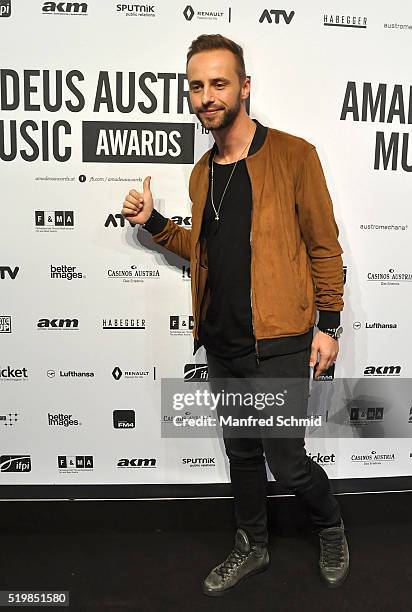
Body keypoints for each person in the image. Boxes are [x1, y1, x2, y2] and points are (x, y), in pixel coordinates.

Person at [121, 34, 349, 595]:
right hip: (221, 342)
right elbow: (203, 247)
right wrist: (154, 223)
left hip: (279, 342)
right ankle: (253, 544)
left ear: (244, 88)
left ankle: (332, 527)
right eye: (196, 87)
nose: (206, 97)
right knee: (241, 454)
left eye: (218, 84)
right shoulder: (201, 174)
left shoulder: (295, 155)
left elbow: (324, 244)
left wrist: (330, 323)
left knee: (288, 462)